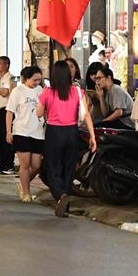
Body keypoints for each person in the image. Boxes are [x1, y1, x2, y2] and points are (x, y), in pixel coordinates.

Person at [37, 61, 96, 217]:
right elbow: (86, 115)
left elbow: (38, 113)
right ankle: (65, 205)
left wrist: (41, 101)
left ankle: (60, 196)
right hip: (72, 133)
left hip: (54, 133)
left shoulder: (48, 92)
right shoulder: (77, 91)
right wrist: (93, 136)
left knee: (52, 168)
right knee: (69, 168)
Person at [6, 66, 45, 203]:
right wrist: (9, 131)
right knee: (25, 164)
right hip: (22, 131)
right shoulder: (18, 91)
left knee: (36, 165)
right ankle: (26, 193)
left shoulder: (41, 91)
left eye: (39, 80)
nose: (37, 83)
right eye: (34, 80)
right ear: (26, 78)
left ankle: (23, 183)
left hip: (38, 131)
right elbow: (9, 112)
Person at [0, 56, 16, 174]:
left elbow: (4, 93)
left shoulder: (9, 78)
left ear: (6, 65)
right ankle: (2, 163)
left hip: (5, 111)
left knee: (5, 138)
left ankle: (9, 164)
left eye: (0, 63)